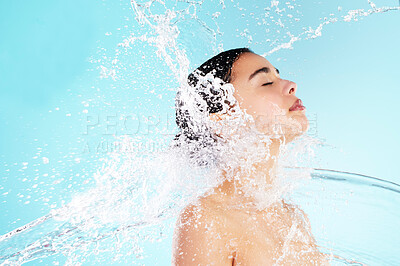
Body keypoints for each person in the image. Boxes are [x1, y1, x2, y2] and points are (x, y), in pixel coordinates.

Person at [171, 48, 329, 265]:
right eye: (266, 82)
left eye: (278, 76)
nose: (291, 85)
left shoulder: (292, 217)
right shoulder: (206, 218)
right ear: (224, 121)